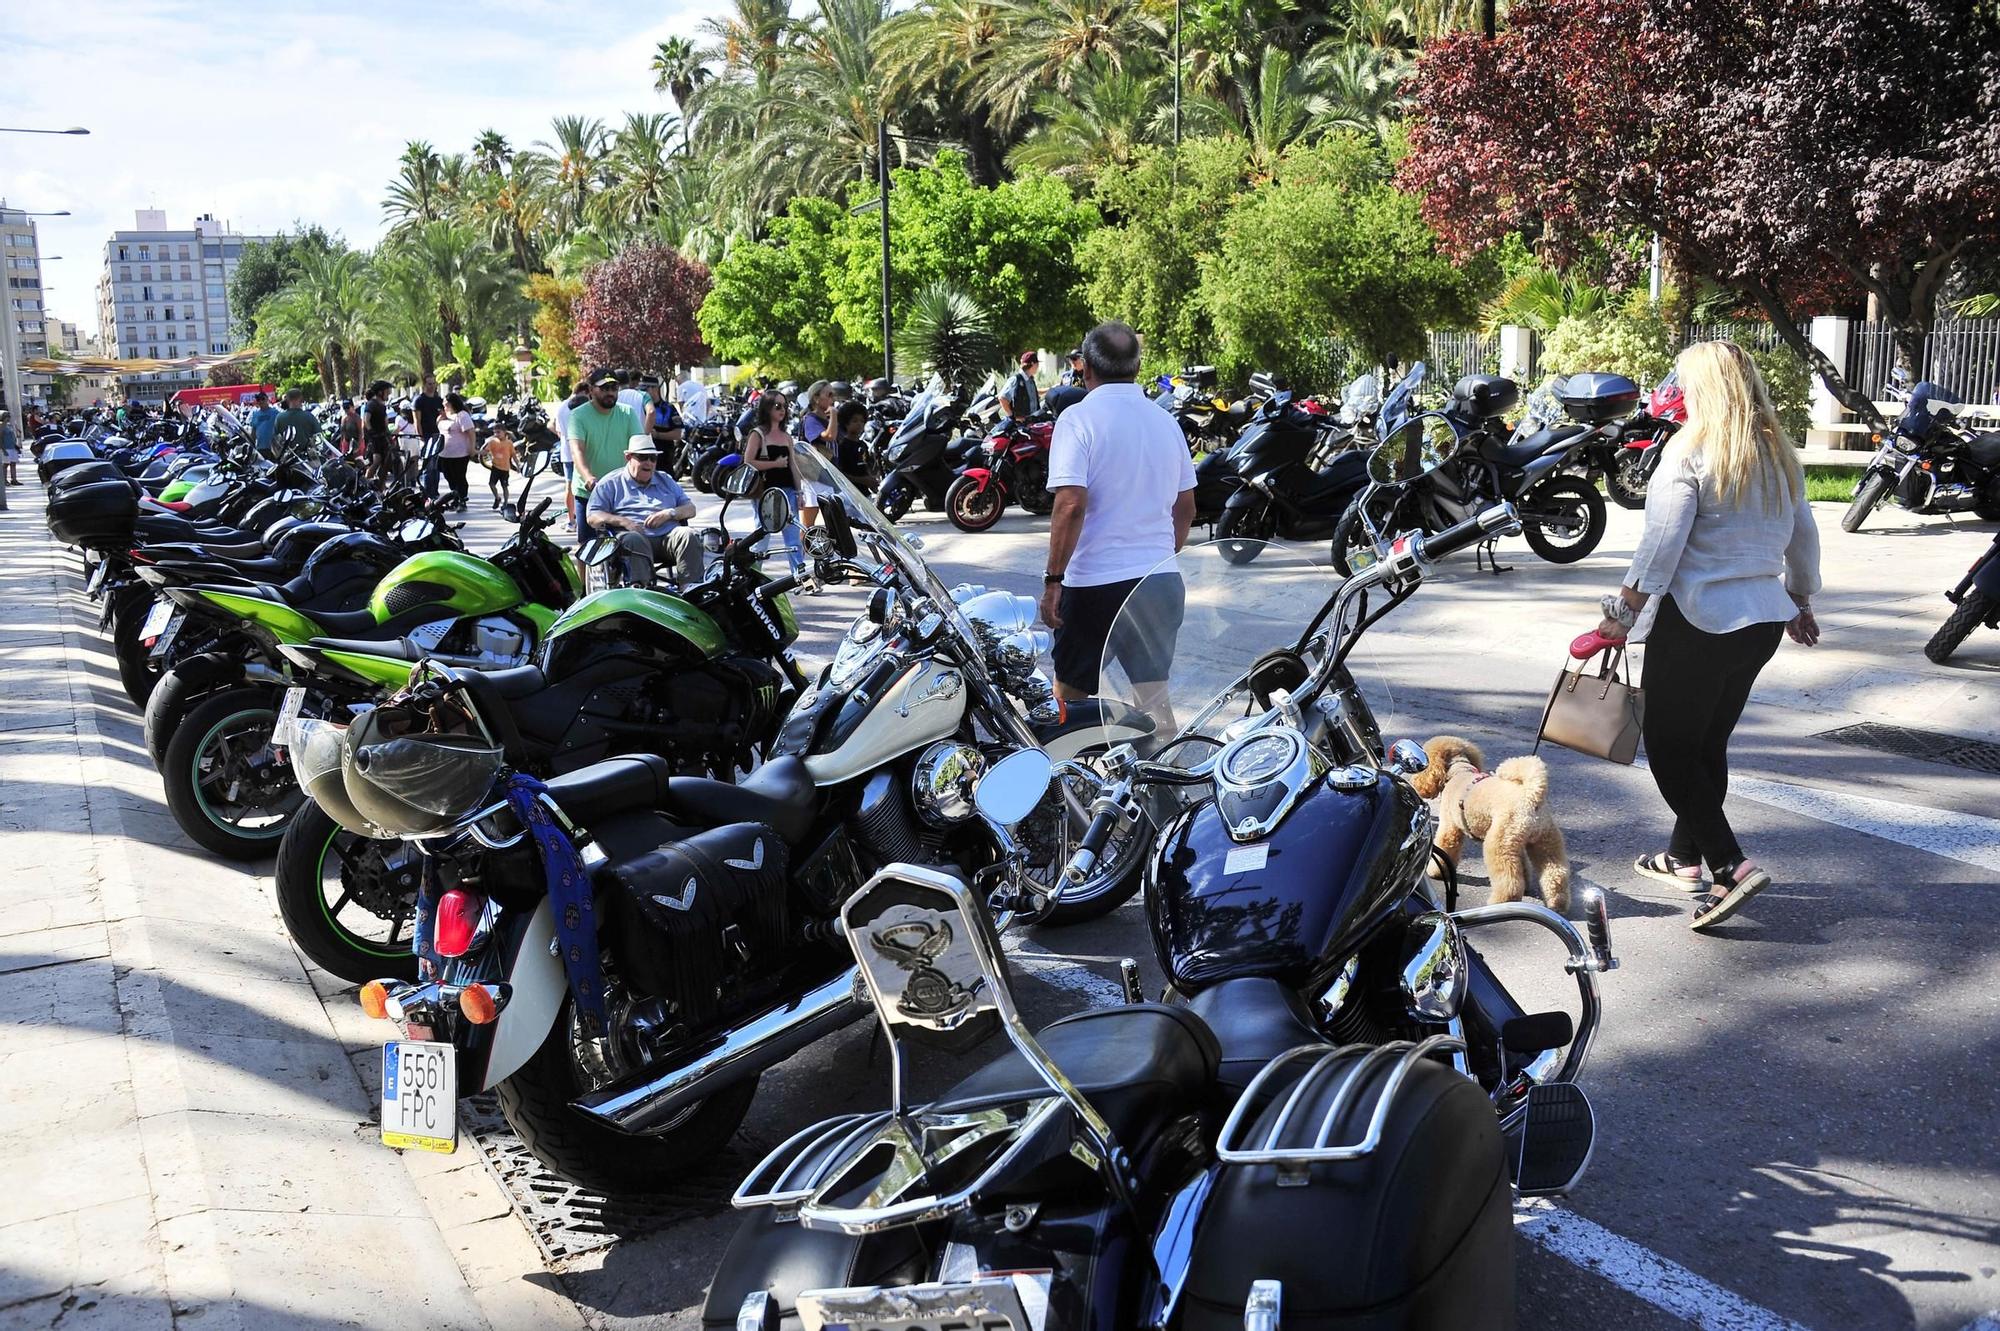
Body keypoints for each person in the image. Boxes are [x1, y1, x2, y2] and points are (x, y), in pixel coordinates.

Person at [1595, 339, 1822, 933]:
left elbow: (1660, 546)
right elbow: (1803, 538)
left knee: (1670, 750)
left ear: (1702, 389)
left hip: (1698, 619)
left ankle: (1729, 868)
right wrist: (1801, 600)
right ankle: (1684, 858)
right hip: (1762, 621)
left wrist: (1619, 615)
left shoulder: (1689, 450)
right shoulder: (1778, 455)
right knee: (1706, 743)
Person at [1040, 322, 1194, 730]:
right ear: (1137, 368)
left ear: (1085, 368)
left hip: (1095, 587)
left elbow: (1070, 505)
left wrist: (1053, 580)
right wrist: (1162, 555)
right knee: (1154, 700)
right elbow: (1186, 507)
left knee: (1069, 702)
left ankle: (1069, 786)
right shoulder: (1166, 422)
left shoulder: (1078, 419)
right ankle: (1167, 786)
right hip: (1158, 582)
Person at [586, 437, 704, 587]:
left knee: (688, 535)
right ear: (628, 457)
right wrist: (624, 521)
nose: (649, 463)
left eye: (653, 458)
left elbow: (690, 509)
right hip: (630, 539)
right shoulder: (610, 483)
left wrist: (669, 513)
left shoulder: (665, 479)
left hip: (666, 538)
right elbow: (592, 516)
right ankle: (643, 587)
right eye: (642, 457)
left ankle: (691, 588)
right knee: (634, 539)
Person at [567, 369, 644, 544]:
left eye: (614, 388)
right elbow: (577, 450)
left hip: (621, 491)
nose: (610, 392)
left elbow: (638, 447)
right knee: (587, 545)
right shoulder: (578, 415)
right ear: (591, 390)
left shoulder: (628, 413)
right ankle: (583, 573)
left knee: (628, 541)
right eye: (604, 388)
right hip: (589, 491)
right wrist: (588, 477)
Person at [741, 389, 805, 575]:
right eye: (777, 406)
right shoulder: (758, 434)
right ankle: (754, 574)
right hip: (765, 492)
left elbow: (793, 464)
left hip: (788, 491)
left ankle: (799, 575)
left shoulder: (786, 436)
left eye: (785, 406)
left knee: (793, 537)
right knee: (762, 535)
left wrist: (800, 492)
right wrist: (774, 464)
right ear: (767, 408)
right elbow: (748, 462)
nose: (782, 410)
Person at [438, 392, 477, 511]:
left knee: (459, 477)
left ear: (452, 403)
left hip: (460, 454)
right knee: (448, 476)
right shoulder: (445, 416)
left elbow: (471, 432)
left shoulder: (462, 416)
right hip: (445, 453)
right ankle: (454, 497)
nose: (444, 406)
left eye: (446, 404)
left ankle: (462, 499)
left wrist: (472, 447)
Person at [413, 375, 445, 497]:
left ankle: (434, 493)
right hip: (426, 437)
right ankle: (427, 493)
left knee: (436, 467)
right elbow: (417, 420)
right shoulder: (419, 401)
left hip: (438, 436)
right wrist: (420, 437)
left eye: (433, 384)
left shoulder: (439, 400)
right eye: (429, 384)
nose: (432, 386)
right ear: (424, 385)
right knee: (428, 466)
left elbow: (444, 415)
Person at [361, 383, 393, 487]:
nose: (388, 394)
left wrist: (388, 434)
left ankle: (381, 486)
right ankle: (365, 484)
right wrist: (371, 432)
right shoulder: (371, 404)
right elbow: (366, 420)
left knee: (386, 462)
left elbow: (385, 422)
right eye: (387, 392)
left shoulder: (382, 406)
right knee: (376, 460)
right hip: (374, 438)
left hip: (383, 437)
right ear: (380, 392)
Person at [272, 387, 319, 456]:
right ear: (301, 399)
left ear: (287, 400)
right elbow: (318, 437)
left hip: (288, 459)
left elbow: (274, 440)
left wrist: (279, 457)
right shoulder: (309, 416)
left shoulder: (280, 418)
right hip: (308, 458)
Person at [481, 424, 516, 511]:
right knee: (491, 484)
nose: (496, 434)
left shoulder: (509, 443)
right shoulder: (492, 442)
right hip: (495, 467)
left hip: (505, 469)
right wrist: (476, 452)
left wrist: (518, 465)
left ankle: (506, 502)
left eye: (498, 432)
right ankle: (497, 498)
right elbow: (485, 451)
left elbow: (514, 455)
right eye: (495, 432)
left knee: (504, 486)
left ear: (504, 432)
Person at [1002, 351, 1041, 421]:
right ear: (1032, 364)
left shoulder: (1030, 379)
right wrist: (1012, 417)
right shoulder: (1015, 379)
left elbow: (1033, 393)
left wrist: (1050, 389)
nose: (1038, 366)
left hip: (1032, 421)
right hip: (1021, 424)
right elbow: (1002, 398)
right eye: (1037, 364)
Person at [396, 408, 422, 487]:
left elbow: (397, 430)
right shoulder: (414, 417)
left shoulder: (399, 418)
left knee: (405, 463)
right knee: (414, 463)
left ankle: (405, 482)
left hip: (405, 442)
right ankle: (413, 480)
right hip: (415, 441)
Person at [0, 412, 18, 486]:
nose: (8, 418)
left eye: (9, 416)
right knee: (6, 464)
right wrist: (3, 449)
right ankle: (4, 480)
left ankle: (14, 479)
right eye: (7, 416)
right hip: (6, 447)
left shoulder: (9, 425)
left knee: (13, 463)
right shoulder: (1, 425)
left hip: (12, 447)